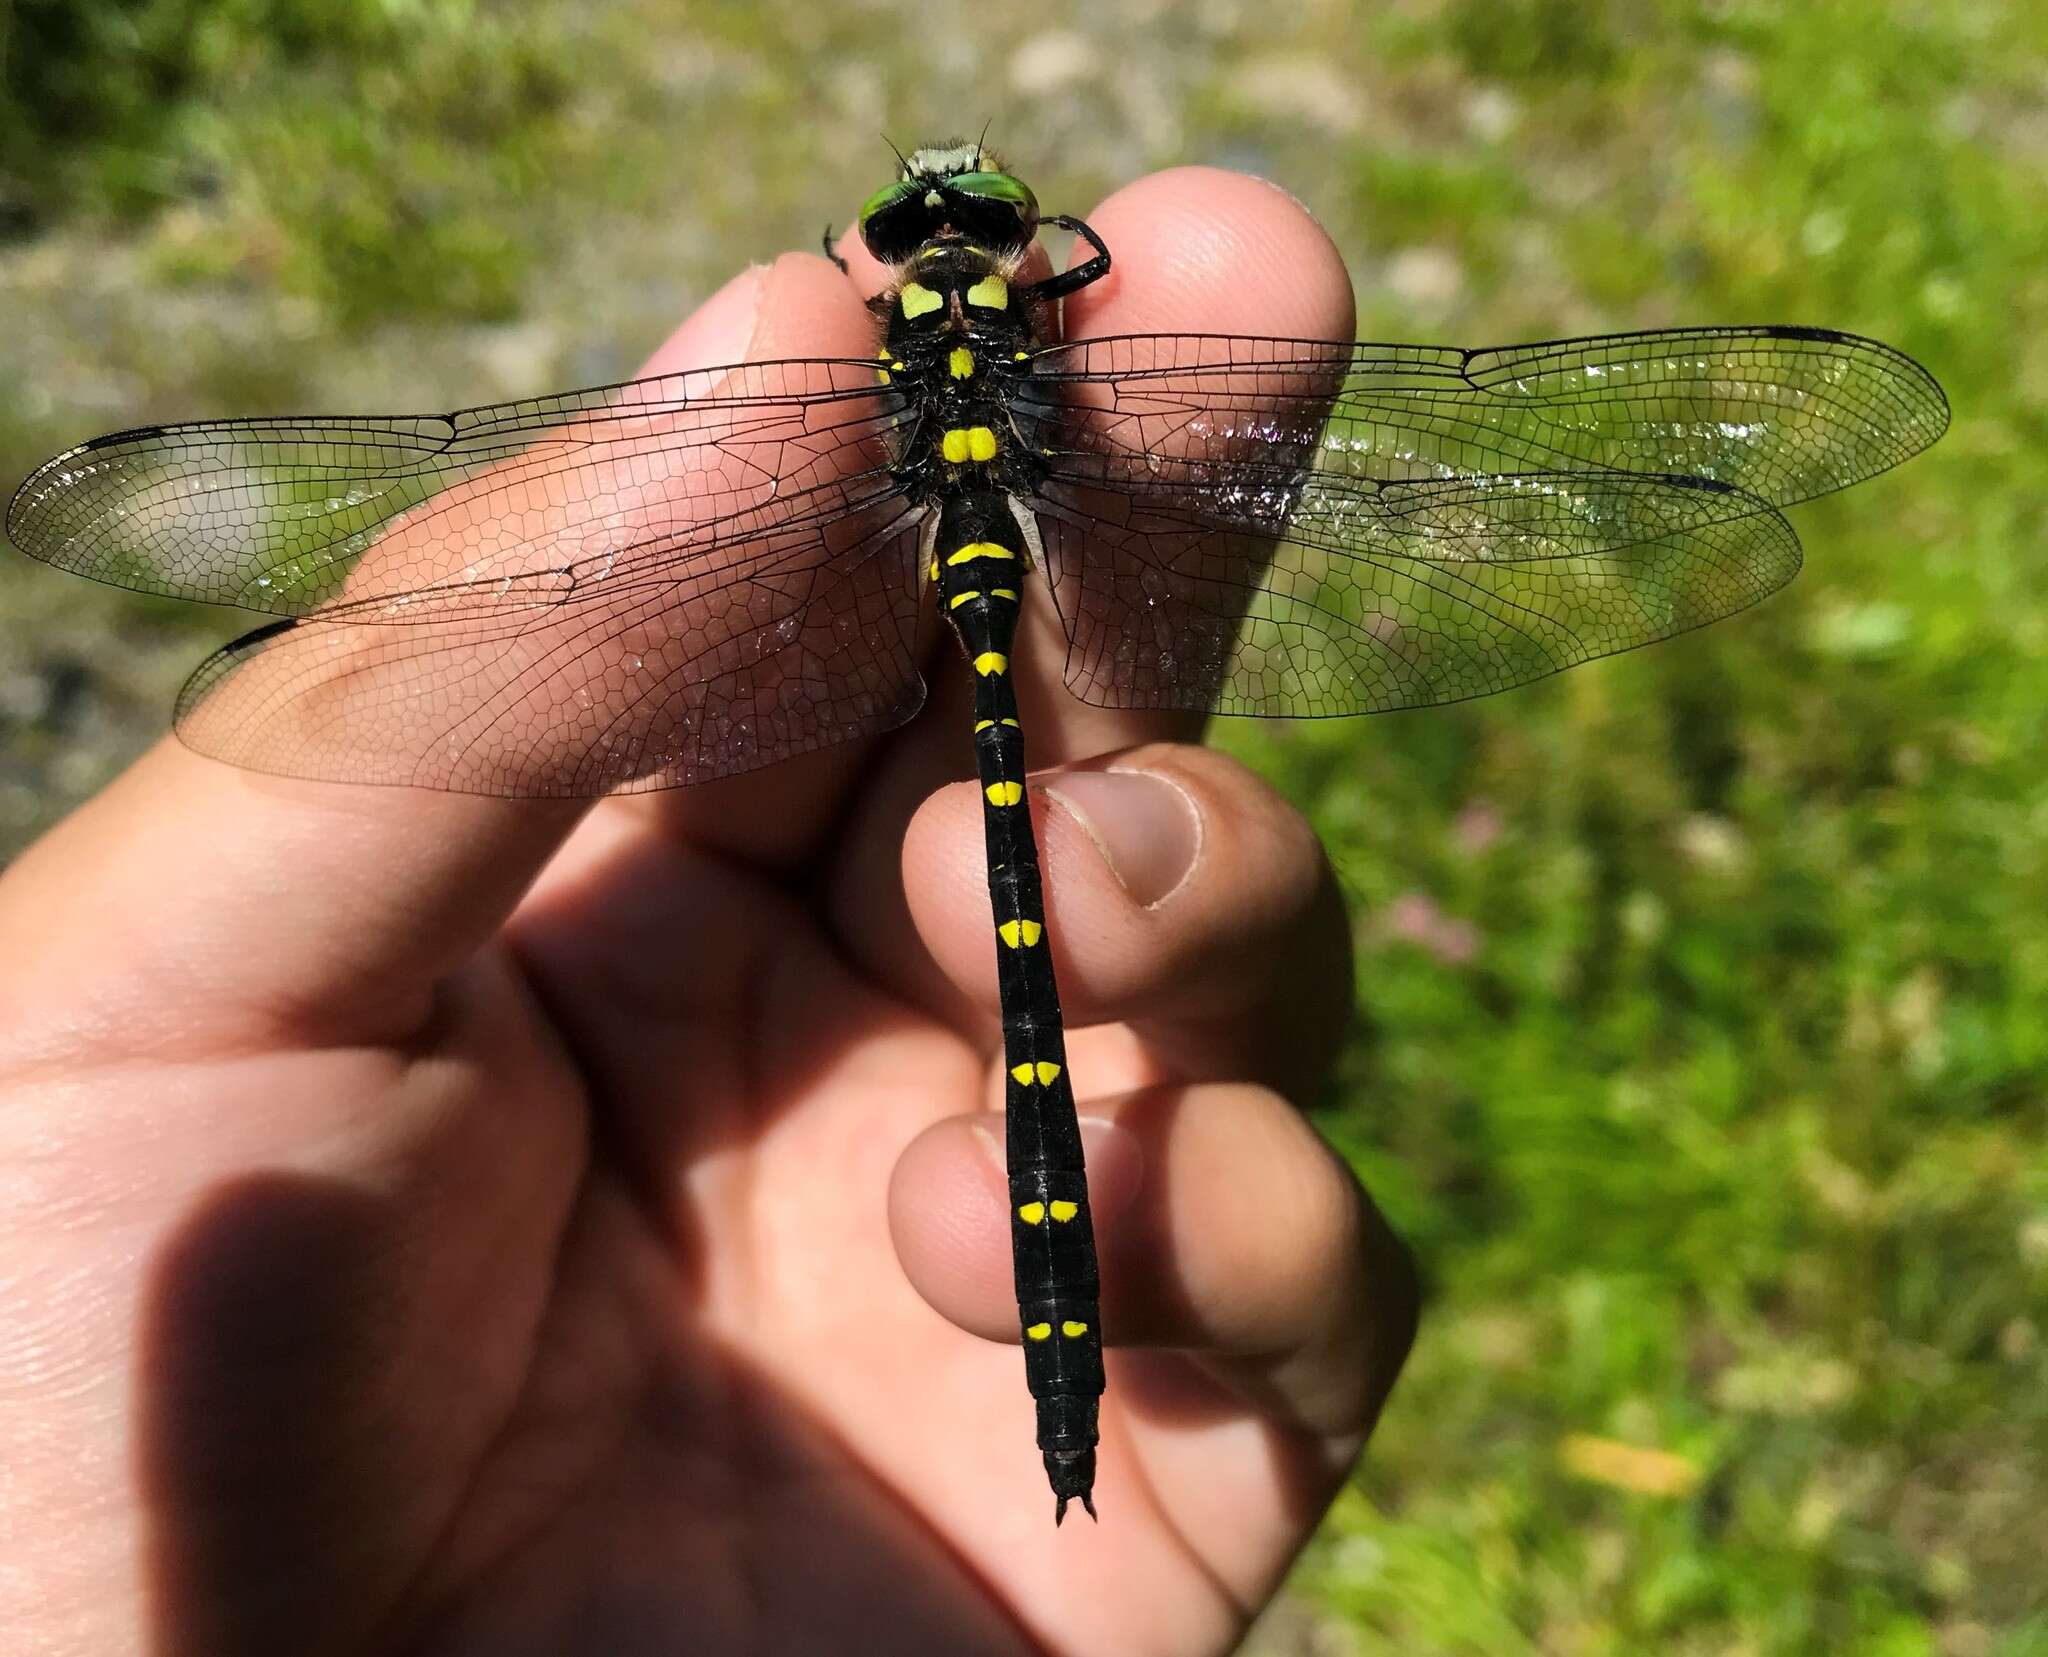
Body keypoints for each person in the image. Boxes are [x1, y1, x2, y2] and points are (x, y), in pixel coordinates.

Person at [0, 167, 1418, 1655]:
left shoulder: (877, 366)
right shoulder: (1045, 327)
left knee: (1072, 881)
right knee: (1053, 869)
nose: (947, 238)